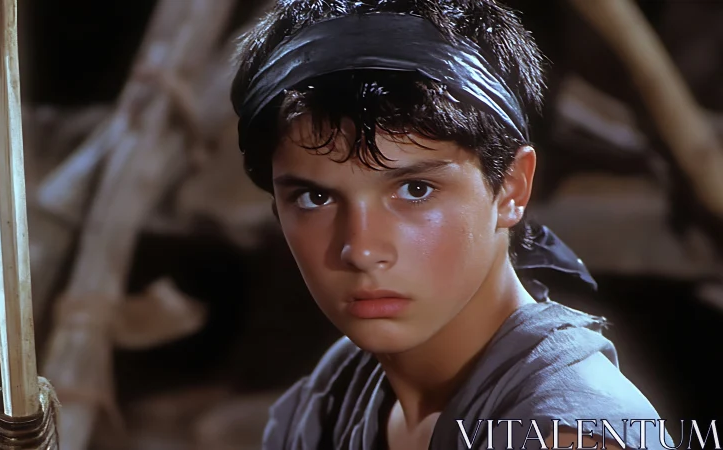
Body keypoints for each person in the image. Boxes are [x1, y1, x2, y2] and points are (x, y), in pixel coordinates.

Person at [230, 1, 673, 449]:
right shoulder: (341, 388)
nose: (361, 250)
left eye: (416, 190)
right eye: (315, 197)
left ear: (512, 188)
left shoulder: (569, 436)